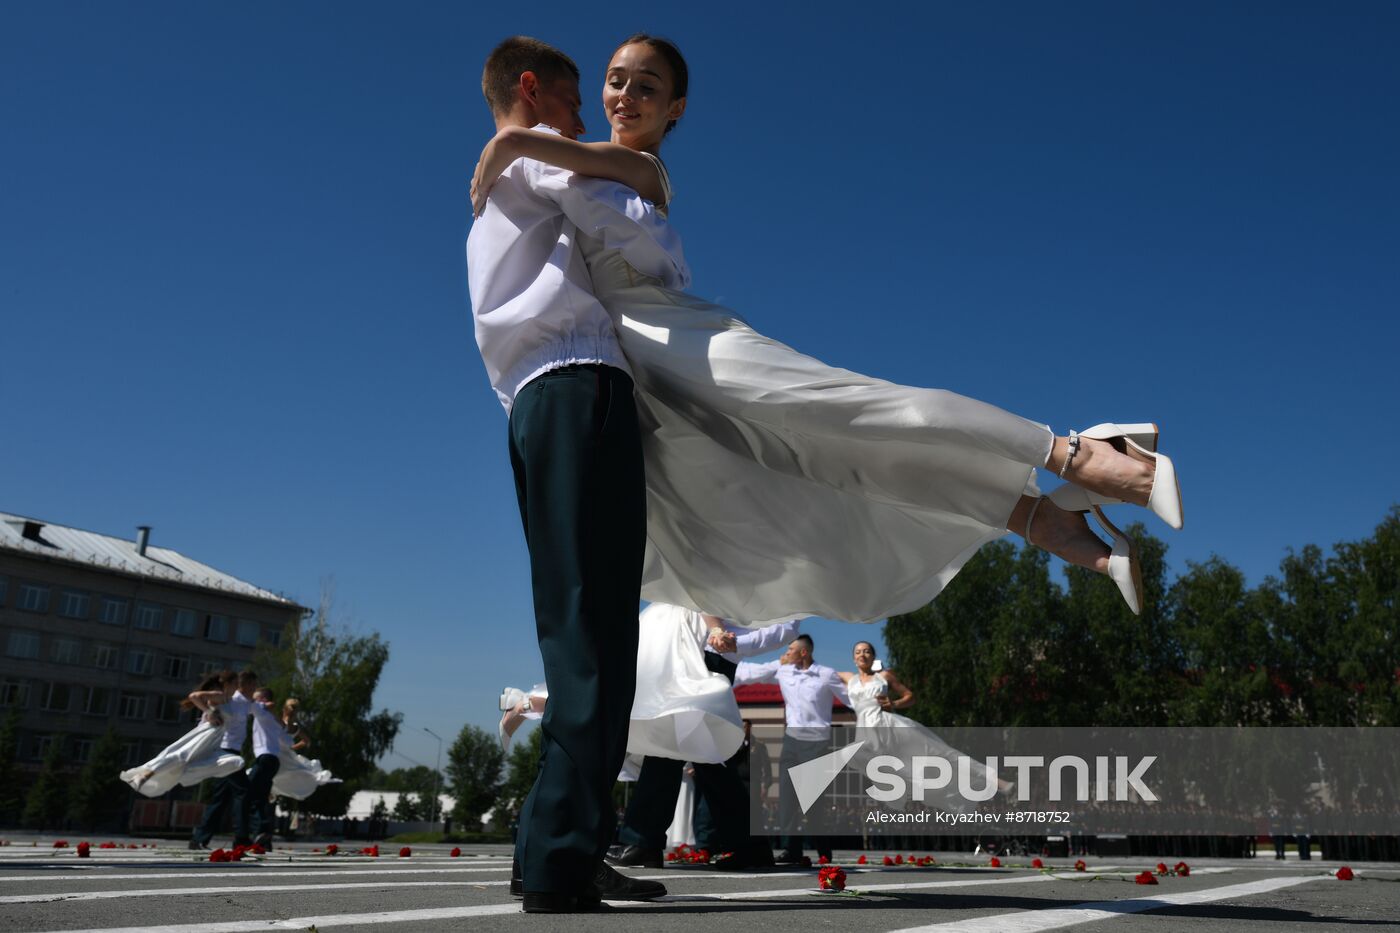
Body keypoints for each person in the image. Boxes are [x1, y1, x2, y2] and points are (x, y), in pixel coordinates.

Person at [470, 35, 1185, 625]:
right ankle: (1038, 520)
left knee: (856, 409)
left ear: (675, 107)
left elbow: (587, 165)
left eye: (646, 87)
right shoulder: (569, 165)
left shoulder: (638, 168)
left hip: (683, 342)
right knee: (824, 468)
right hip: (641, 374)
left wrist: (511, 141)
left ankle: (1083, 455)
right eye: (615, 80)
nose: (624, 94)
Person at [466, 35, 688, 914]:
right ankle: (562, 857)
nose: (587, 119)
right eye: (573, 103)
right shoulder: (543, 170)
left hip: (531, 405)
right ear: (532, 91)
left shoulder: (500, 184)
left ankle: (555, 844)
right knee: (597, 639)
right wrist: (547, 145)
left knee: (575, 630)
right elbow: (652, 244)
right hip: (581, 387)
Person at [838, 641, 1007, 813]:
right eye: (858, 652)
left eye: (867, 651)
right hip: (867, 734)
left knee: (942, 754)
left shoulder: (884, 676)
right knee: (849, 754)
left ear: (873, 656)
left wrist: (893, 703)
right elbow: (816, 674)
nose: (862, 655)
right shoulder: (849, 678)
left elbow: (910, 696)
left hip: (890, 727)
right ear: (853, 659)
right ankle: (899, 789)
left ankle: (997, 781)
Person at [735, 634, 849, 864]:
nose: (786, 653)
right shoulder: (783, 671)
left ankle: (823, 849)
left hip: (818, 743)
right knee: (787, 796)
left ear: (803, 652)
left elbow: (850, 699)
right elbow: (750, 673)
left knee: (812, 800)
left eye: (790, 650)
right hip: (791, 741)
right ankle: (791, 849)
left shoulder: (826, 674)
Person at [120, 671, 244, 797]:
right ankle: (145, 774)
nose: (237, 687)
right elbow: (194, 696)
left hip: (216, 740)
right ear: (227, 684)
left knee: (236, 762)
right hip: (206, 733)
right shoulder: (219, 695)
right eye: (235, 684)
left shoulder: (229, 700)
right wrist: (208, 711)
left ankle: (183, 772)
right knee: (181, 756)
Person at [188, 670, 259, 850]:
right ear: (245, 685)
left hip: (232, 752)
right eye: (254, 685)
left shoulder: (244, 704)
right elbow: (201, 698)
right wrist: (209, 712)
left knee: (221, 799)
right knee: (245, 792)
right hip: (227, 752)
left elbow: (258, 707)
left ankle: (199, 839)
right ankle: (241, 838)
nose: (255, 689)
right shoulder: (230, 700)